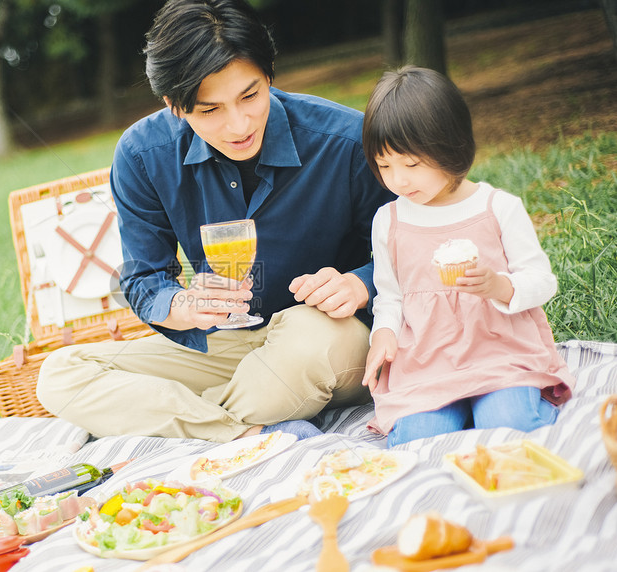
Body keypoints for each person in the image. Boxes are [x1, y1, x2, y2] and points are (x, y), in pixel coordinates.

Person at [36, 0, 393, 443]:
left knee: (305, 342)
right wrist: (182, 305)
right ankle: (247, 429)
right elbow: (145, 278)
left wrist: (361, 282)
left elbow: (425, 243)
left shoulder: (344, 142)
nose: (238, 124)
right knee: (60, 375)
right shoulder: (143, 156)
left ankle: (188, 417)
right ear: (175, 106)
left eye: (251, 95)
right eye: (210, 110)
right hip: (222, 341)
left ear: (269, 75)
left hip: (323, 333)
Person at [360, 65, 575, 446]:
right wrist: (384, 335)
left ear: (451, 146)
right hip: (428, 361)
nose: (399, 180)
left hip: (498, 351)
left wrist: (499, 286)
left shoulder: (497, 207)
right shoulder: (388, 220)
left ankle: (514, 403)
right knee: (418, 441)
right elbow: (390, 297)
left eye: (411, 164)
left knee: (508, 425)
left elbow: (542, 280)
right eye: (384, 166)